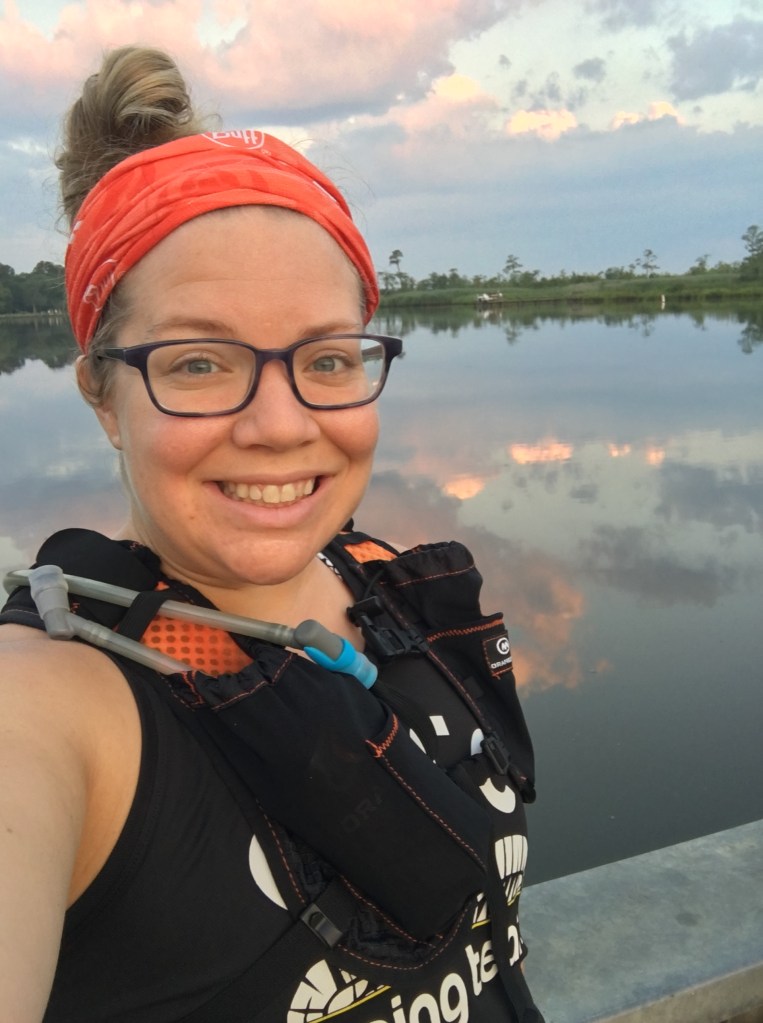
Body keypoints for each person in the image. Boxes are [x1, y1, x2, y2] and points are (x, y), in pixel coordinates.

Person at [0, 47, 543, 1023]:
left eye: (327, 358)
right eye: (202, 363)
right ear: (101, 394)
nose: (282, 424)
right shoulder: (53, 705)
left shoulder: (388, 590)